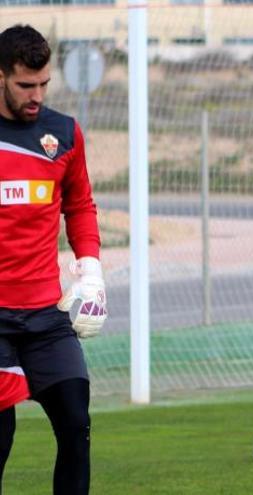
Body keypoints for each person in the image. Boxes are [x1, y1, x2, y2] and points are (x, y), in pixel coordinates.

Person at [0, 25, 107, 494]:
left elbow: (79, 205)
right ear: (0, 76)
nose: (36, 96)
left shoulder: (63, 133)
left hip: (48, 315)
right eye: (25, 85)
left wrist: (92, 271)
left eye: (44, 84)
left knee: (76, 425)